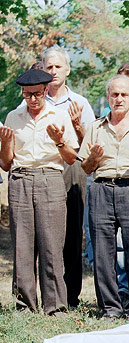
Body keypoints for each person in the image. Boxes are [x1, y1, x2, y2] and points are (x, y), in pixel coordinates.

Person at [78, 74, 129, 320]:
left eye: (124, 95)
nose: (119, 99)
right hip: (102, 189)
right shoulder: (95, 127)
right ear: (108, 97)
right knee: (103, 253)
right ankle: (110, 308)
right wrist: (93, 157)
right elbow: (85, 167)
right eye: (114, 94)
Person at [0, 69, 79, 315]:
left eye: (36, 94)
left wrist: (58, 140)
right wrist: (4, 143)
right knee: (22, 245)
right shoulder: (14, 117)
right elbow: (5, 163)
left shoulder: (60, 115)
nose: (32, 100)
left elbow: (71, 158)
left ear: (46, 90)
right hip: (20, 179)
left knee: (51, 244)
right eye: (27, 95)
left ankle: (55, 306)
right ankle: (25, 305)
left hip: (50, 179)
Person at [43, 45, 96, 308]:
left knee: (72, 231)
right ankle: (48, 294)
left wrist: (77, 126)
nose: (53, 71)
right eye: (49, 67)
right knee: (46, 232)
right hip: (44, 166)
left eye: (58, 66)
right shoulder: (34, 99)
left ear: (68, 69)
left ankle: (71, 294)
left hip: (73, 165)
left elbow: (91, 144)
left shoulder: (80, 103)